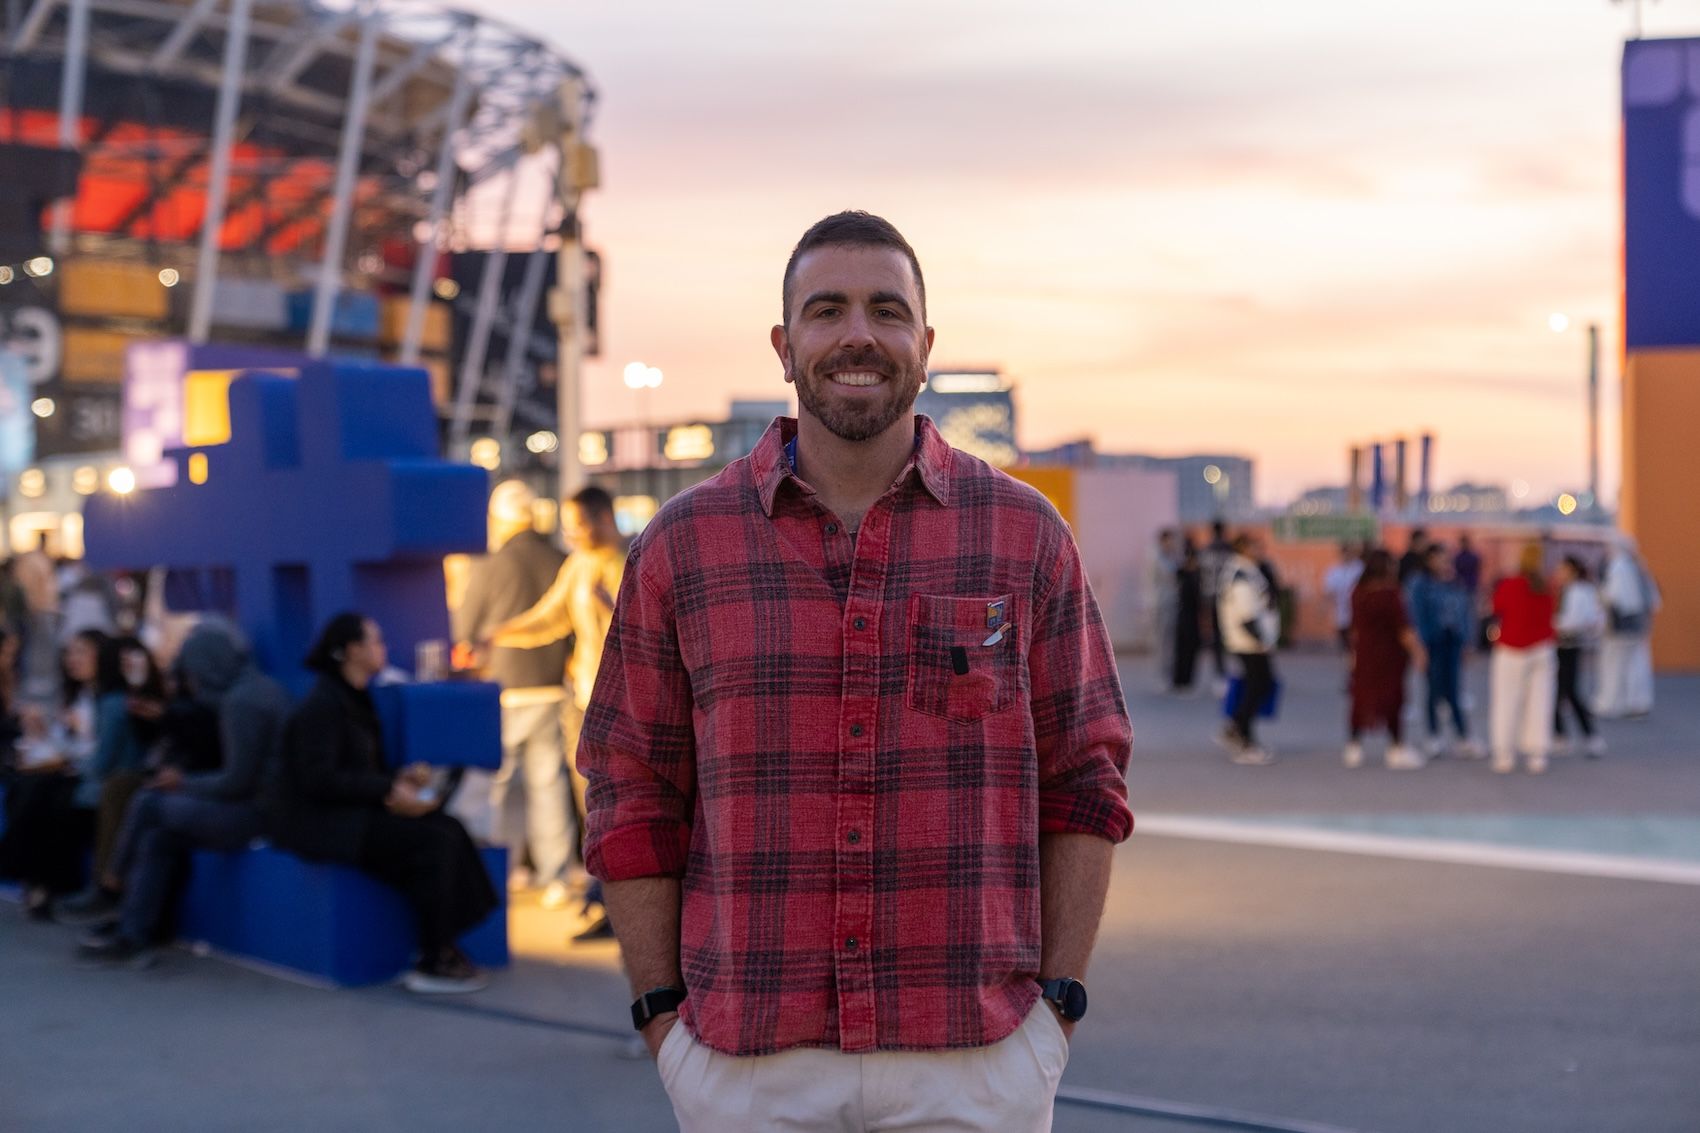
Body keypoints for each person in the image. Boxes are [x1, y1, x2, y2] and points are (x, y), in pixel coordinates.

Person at [580, 211, 1133, 1132]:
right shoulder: (685, 545)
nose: (857, 335)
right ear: (784, 344)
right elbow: (631, 789)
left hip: (974, 1065)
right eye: (827, 310)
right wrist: (662, 1024)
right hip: (746, 1066)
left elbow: (1086, 775)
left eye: (886, 309)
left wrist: (1056, 1011)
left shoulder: (1023, 535)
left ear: (924, 342)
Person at [268, 613, 497, 993]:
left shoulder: (355, 699)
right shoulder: (322, 705)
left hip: (353, 812)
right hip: (324, 824)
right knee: (432, 843)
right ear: (352, 650)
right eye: (374, 641)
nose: (382, 648)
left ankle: (448, 938)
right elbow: (318, 780)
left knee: (448, 826)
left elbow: (359, 770)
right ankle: (432, 956)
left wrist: (399, 781)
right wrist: (386, 788)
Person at [78, 617, 292, 966]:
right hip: (261, 809)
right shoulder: (259, 690)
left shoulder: (241, 703)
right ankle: (135, 928)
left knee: (149, 802)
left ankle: (110, 884)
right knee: (159, 837)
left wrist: (183, 784)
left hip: (255, 816)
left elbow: (236, 783)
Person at [489, 484, 629, 941]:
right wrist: (499, 635)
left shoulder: (637, 558)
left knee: (625, 807)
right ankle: (607, 899)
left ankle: (624, 906)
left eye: (578, 525)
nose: (570, 534)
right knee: (591, 806)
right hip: (585, 702)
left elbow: (655, 631)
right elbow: (551, 618)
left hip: (630, 706)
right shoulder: (579, 565)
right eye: (567, 525)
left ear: (605, 519)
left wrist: (618, 612)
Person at [452, 480, 573, 906]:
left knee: (495, 785)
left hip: (501, 687)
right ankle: (556, 876)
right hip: (551, 685)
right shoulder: (561, 559)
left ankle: (500, 872)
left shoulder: (488, 565)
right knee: (548, 786)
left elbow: (465, 630)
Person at [56, 635, 169, 921]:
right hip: (139, 778)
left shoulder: (115, 703)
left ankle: (102, 885)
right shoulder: (140, 698)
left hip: (125, 781)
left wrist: (76, 766)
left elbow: (105, 760)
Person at [0, 630, 103, 918]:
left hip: (86, 775)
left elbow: (95, 750)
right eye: (70, 653)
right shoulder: (76, 697)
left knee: (43, 793)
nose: (73, 659)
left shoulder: (104, 700)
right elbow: (64, 746)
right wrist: (45, 734)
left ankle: (34, 878)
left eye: (81, 652)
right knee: (28, 786)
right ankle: (35, 881)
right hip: (65, 770)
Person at [1344, 549, 1427, 769]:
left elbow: (1354, 628)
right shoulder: (1391, 594)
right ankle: (1396, 746)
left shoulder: (1358, 592)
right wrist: (1419, 652)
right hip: (1389, 655)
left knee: (1361, 698)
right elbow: (1404, 629)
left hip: (1365, 652)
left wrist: (1351, 654)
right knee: (1393, 699)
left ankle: (1354, 745)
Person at [1406, 545, 1480, 759]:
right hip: (1433, 642)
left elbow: (1466, 613)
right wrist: (1419, 647)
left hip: (1452, 641)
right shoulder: (1420, 585)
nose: (1444, 564)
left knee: (1454, 690)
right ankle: (1433, 736)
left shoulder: (1455, 584)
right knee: (1433, 689)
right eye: (1439, 559)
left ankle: (1462, 736)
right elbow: (1415, 616)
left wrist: (1467, 642)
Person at [1489, 544, 1558, 775]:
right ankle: (1537, 753)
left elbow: (1497, 608)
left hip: (1511, 649)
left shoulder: (1510, 584)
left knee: (1507, 701)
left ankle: (1504, 753)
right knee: (1540, 701)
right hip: (1541, 649)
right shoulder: (1546, 586)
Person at [1216, 533, 1279, 765]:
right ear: (1243, 548)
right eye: (1255, 545)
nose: (1260, 549)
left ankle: (1236, 728)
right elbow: (1245, 614)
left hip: (1250, 640)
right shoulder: (1241, 575)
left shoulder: (1247, 570)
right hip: (1249, 641)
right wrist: (1261, 640)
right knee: (1257, 687)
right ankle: (1244, 738)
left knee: (1256, 686)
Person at [1594, 536, 1660, 719]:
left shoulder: (1619, 567)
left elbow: (1615, 597)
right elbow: (1654, 599)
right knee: (1637, 663)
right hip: (1638, 625)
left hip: (1620, 626)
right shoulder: (1638, 567)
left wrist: (1600, 598)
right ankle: (1637, 701)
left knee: (1613, 664)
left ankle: (1612, 702)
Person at [1552, 555, 1606, 758]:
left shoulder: (1581, 591)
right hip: (1561, 645)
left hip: (1570, 645)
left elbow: (1583, 620)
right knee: (1558, 692)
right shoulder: (1566, 591)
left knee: (1569, 691)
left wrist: (1554, 624)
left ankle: (1588, 735)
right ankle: (1561, 735)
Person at [1199, 520, 1232, 693]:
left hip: (1212, 598)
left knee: (1218, 638)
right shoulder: (1229, 550)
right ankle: (1228, 675)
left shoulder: (1206, 551)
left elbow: (1202, 576)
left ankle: (1220, 674)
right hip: (1229, 599)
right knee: (1231, 637)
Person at [1149, 529, 1181, 690]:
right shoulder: (1157, 557)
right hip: (1160, 604)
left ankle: (1169, 675)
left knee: (1170, 642)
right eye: (1169, 540)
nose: (1171, 543)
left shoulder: (1172, 556)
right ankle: (1160, 677)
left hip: (1171, 603)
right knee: (1162, 642)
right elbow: (1154, 580)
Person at [1172, 538, 1203, 693]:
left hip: (1185, 618)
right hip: (1187, 619)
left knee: (1184, 651)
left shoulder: (1184, 575)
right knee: (1186, 651)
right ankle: (1183, 680)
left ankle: (1182, 680)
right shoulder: (1188, 577)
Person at [1322, 541, 1364, 652]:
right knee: (1346, 644)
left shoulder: (1360, 569)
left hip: (1358, 614)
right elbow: (1328, 591)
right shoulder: (1334, 571)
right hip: (1342, 614)